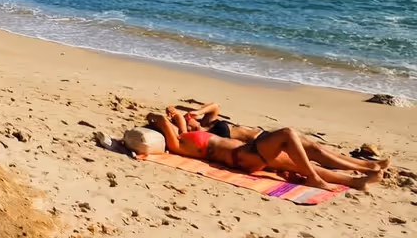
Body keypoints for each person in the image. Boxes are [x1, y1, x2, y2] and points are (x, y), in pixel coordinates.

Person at [147, 111, 381, 192]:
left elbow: (175, 117)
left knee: (304, 150)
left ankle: (357, 177)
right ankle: (314, 178)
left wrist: (176, 116)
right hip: (242, 157)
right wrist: (155, 120)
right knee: (288, 134)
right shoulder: (179, 144)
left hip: (247, 153)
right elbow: (162, 121)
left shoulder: (186, 134)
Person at [166, 103, 389, 174]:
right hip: (259, 144)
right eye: (189, 122)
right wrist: (181, 121)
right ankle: (364, 168)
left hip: (263, 135)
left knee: (316, 148)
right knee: (312, 156)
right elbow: (182, 135)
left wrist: (196, 111)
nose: (192, 120)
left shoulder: (208, 122)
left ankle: (364, 164)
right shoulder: (205, 135)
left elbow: (215, 105)